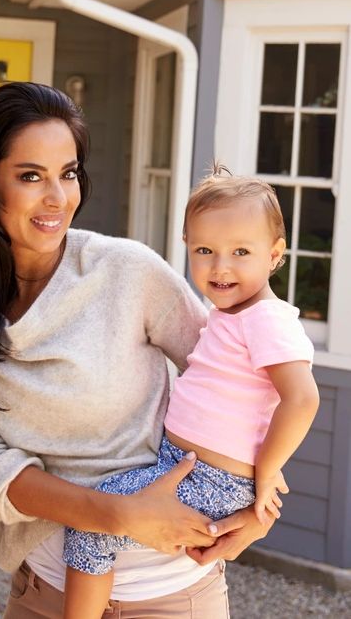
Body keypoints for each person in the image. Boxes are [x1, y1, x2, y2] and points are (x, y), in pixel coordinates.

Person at [0, 82, 279, 619]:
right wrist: (111, 513)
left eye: (69, 173)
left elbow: (238, 382)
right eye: (31, 176)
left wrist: (261, 507)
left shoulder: (128, 271)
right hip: (45, 593)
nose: (58, 198)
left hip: (172, 593)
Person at [61, 167, 320, 618]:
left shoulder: (266, 319)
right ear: (186, 247)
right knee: (101, 509)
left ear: (275, 254)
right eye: (205, 250)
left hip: (213, 481)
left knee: (93, 522)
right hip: (188, 468)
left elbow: (302, 399)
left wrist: (268, 471)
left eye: (241, 251)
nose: (221, 266)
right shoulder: (231, 315)